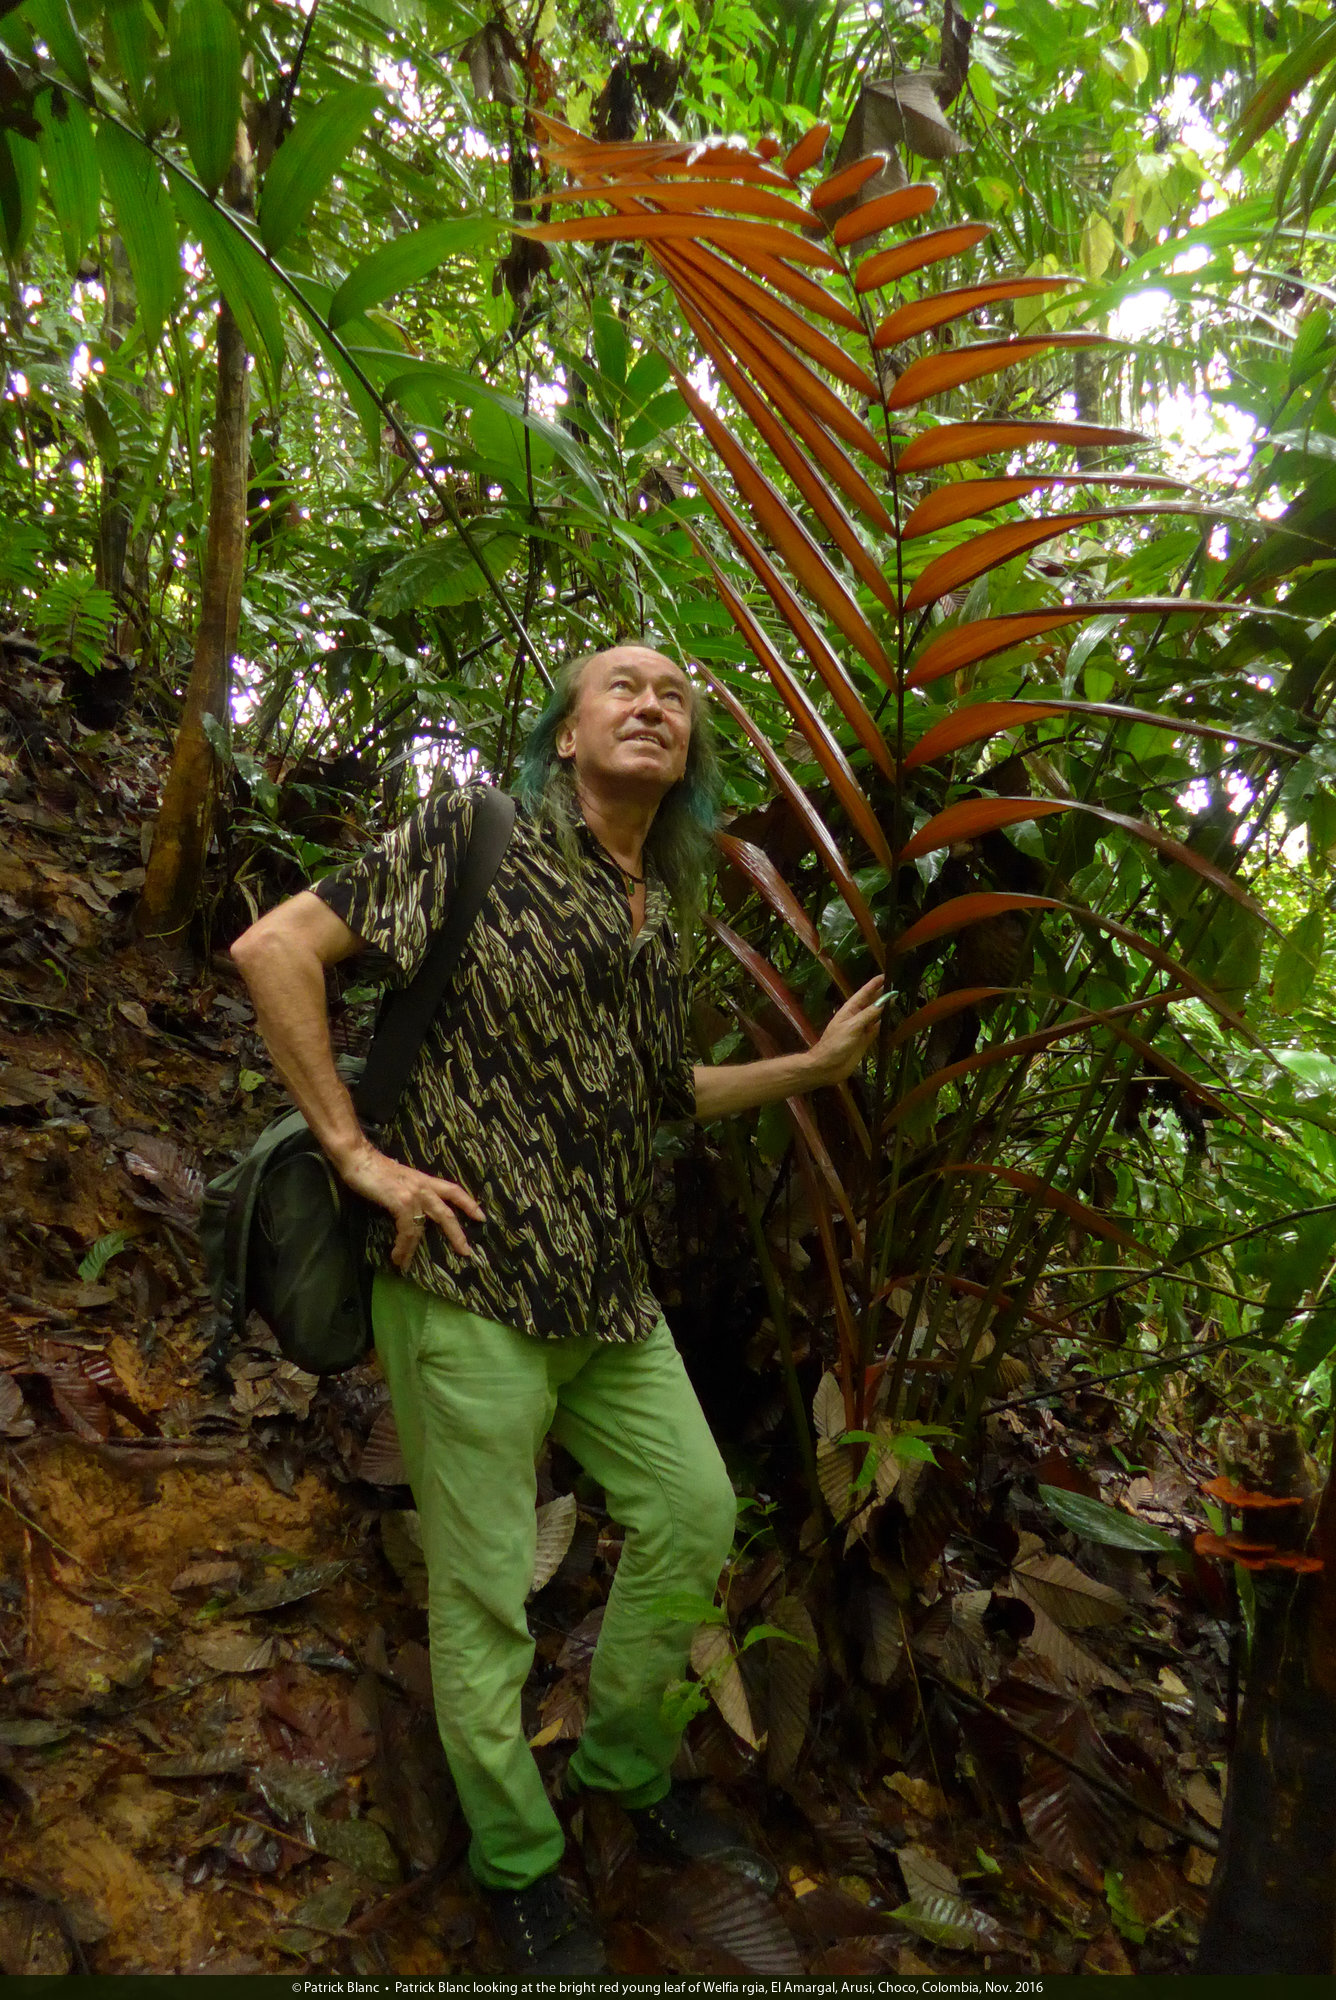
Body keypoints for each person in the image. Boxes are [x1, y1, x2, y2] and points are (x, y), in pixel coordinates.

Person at [230, 644, 883, 1973]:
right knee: (485, 1604)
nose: (654, 705)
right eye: (622, 688)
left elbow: (660, 1091)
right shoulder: (475, 835)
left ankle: (626, 1772)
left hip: (608, 1297)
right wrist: (355, 1153)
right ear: (566, 735)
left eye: (676, 697)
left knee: (693, 1517)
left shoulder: (654, 912)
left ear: (689, 755)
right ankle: (520, 1864)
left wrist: (811, 1068)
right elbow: (275, 946)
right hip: (465, 1285)